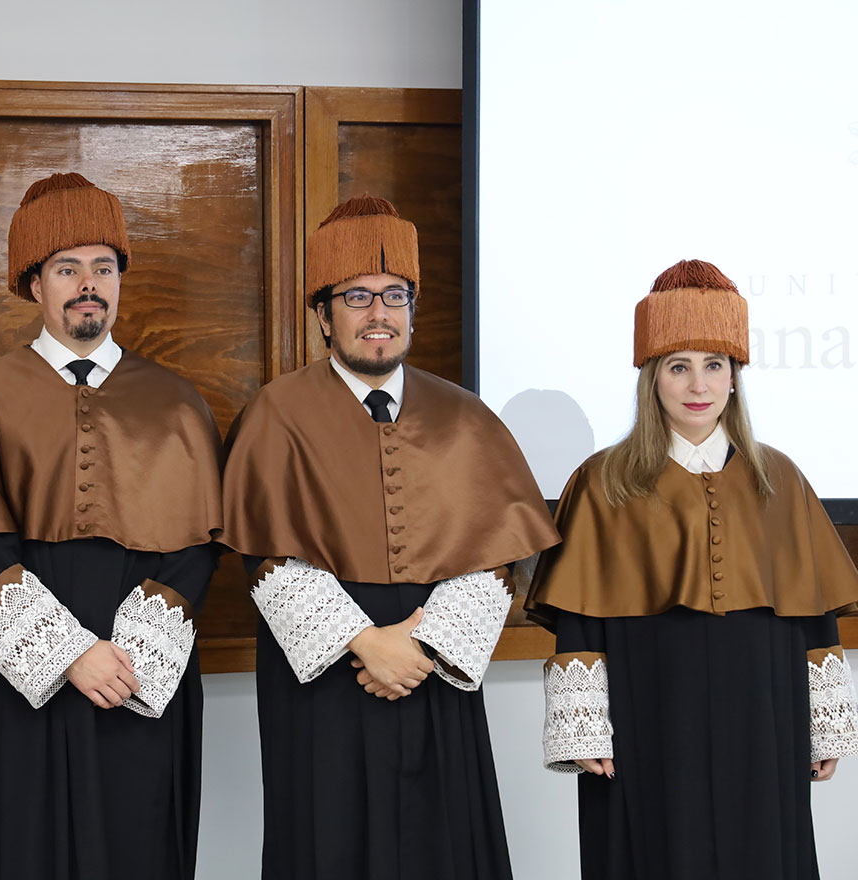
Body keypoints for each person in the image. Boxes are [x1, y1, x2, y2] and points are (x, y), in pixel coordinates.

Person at [221, 194, 560, 880]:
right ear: (323, 315)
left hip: (433, 669)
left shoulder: (465, 417)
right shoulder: (276, 413)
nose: (379, 313)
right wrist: (367, 643)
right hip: (324, 681)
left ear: (412, 308)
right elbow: (266, 555)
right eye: (357, 297)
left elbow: (496, 557)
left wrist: (420, 646)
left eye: (394, 296)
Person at [525, 259, 858, 880]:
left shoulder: (780, 477)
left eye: (715, 365)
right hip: (646, 708)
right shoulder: (603, 480)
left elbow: (813, 612)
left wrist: (825, 726)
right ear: (652, 378)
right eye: (678, 367)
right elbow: (579, 619)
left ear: (735, 377)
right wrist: (584, 730)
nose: (698, 384)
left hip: (764, 711)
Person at [0, 172, 223, 880]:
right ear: (35, 285)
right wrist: (68, 654)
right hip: (19, 680)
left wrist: (127, 656)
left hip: (140, 668)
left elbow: (196, 548)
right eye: (67, 269)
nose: (88, 284)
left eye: (103, 267)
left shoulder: (178, 403)